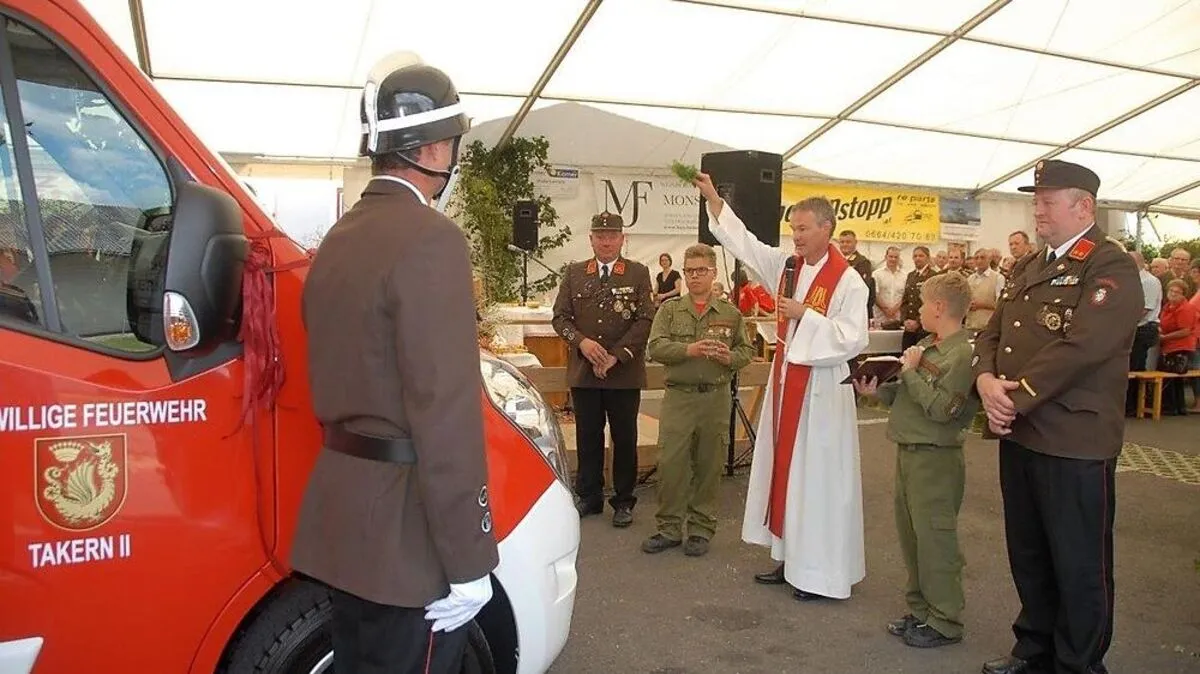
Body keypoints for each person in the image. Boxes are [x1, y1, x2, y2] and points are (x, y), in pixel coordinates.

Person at [291, 53, 498, 673]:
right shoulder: (430, 239)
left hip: (344, 520)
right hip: (409, 538)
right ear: (433, 149)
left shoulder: (339, 238)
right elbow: (445, 410)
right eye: (452, 142)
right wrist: (469, 559)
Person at [973, 159, 1141, 674]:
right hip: (1022, 432)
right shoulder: (1031, 264)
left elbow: (1084, 346)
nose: (1036, 209)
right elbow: (992, 331)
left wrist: (1013, 396)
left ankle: (1079, 663)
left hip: (1073, 436)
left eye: (1047, 200)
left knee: (1079, 562)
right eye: (1036, 200)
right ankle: (1035, 647)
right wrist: (983, 379)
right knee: (1030, 553)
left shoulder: (1108, 266)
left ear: (1082, 206)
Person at [693, 173, 869, 601]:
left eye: (803, 229)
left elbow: (852, 337)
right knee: (787, 473)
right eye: (793, 230)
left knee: (818, 480)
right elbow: (746, 244)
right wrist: (716, 200)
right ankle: (790, 558)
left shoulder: (849, 281)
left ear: (826, 229)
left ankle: (821, 572)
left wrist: (804, 316)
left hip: (822, 393)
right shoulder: (787, 267)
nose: (796, 238)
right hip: (788, 382)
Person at [855, 271, 978, 649]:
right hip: (909, 449)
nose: (919, 310)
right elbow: (908, 397)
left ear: (939, 307)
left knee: (935, 540)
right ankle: (922, 609)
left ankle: (945, 620)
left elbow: (943, 409)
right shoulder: (928, 343)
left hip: (935, 458)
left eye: (924, 303)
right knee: (912, 539)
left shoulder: (962, 354)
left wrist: (909, 374)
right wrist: (876, 391)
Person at [642, 243, 755, 557]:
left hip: (714, 399)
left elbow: (747, 352)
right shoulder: (669, 309)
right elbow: (655, 348)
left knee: (709, 465)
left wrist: (729, 357)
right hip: (679, 397)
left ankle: (701, 529)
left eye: (701, 271)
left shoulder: (730, 314)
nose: (694, 277)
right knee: (671, 463)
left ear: (713, 273)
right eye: (689, 271)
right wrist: (688, 350)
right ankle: (668, 528)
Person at [552, 212, 654, 527]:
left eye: (612, 236)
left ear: (623, 239)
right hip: (584, 373)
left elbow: (645, 319)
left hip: (623, 373)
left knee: (624, 438)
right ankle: (590, 496)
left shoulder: (638, 273)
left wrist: (616, 355)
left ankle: (623, 501)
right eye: (600, 236)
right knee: (587, 437)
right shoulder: (574, 273)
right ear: (591, 239)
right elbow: (560, 318)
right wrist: (581, 343)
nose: (606, 241)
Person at [1126, 251, 1162, 416]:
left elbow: (1144, 309)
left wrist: (1123, 324)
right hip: (1134, 327)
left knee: (1136, 366)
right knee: (1130, 366)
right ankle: (1129, 403)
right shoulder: (1133, 280)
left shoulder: (1149, 281)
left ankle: (1133, 405)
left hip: (1144, 328)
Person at [1157, 279, 1197, 416]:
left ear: (1183, 295)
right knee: (1173, 380)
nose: (1173, 294)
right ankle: (1175, 407)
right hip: (1168, 347)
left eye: (1177, 292)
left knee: (1173, 379)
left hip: (1182, 347)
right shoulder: (1167, 306)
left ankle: (1173, 407)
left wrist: (1163, 337)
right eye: (1171, 291)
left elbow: (1185, 331)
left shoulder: (1186, 308)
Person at [900, 246, 939, 349]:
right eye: (915, 256)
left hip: (924, 327)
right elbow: (905, 300)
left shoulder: (933, 276)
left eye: (921, 256)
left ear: (927, 258)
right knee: (906, 357)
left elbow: (932, 302)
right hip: (909, 327)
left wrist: (918, 322)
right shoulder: (911, 275)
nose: (918, 258)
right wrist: (904, 320)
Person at [839, 229, 876, 317]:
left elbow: (862, 287)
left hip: (854, 308)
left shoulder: (862, 262)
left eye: (848, 242)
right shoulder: (836, 261)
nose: (844, 245)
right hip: (838, 307)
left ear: (855, 242)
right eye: (842, 242)